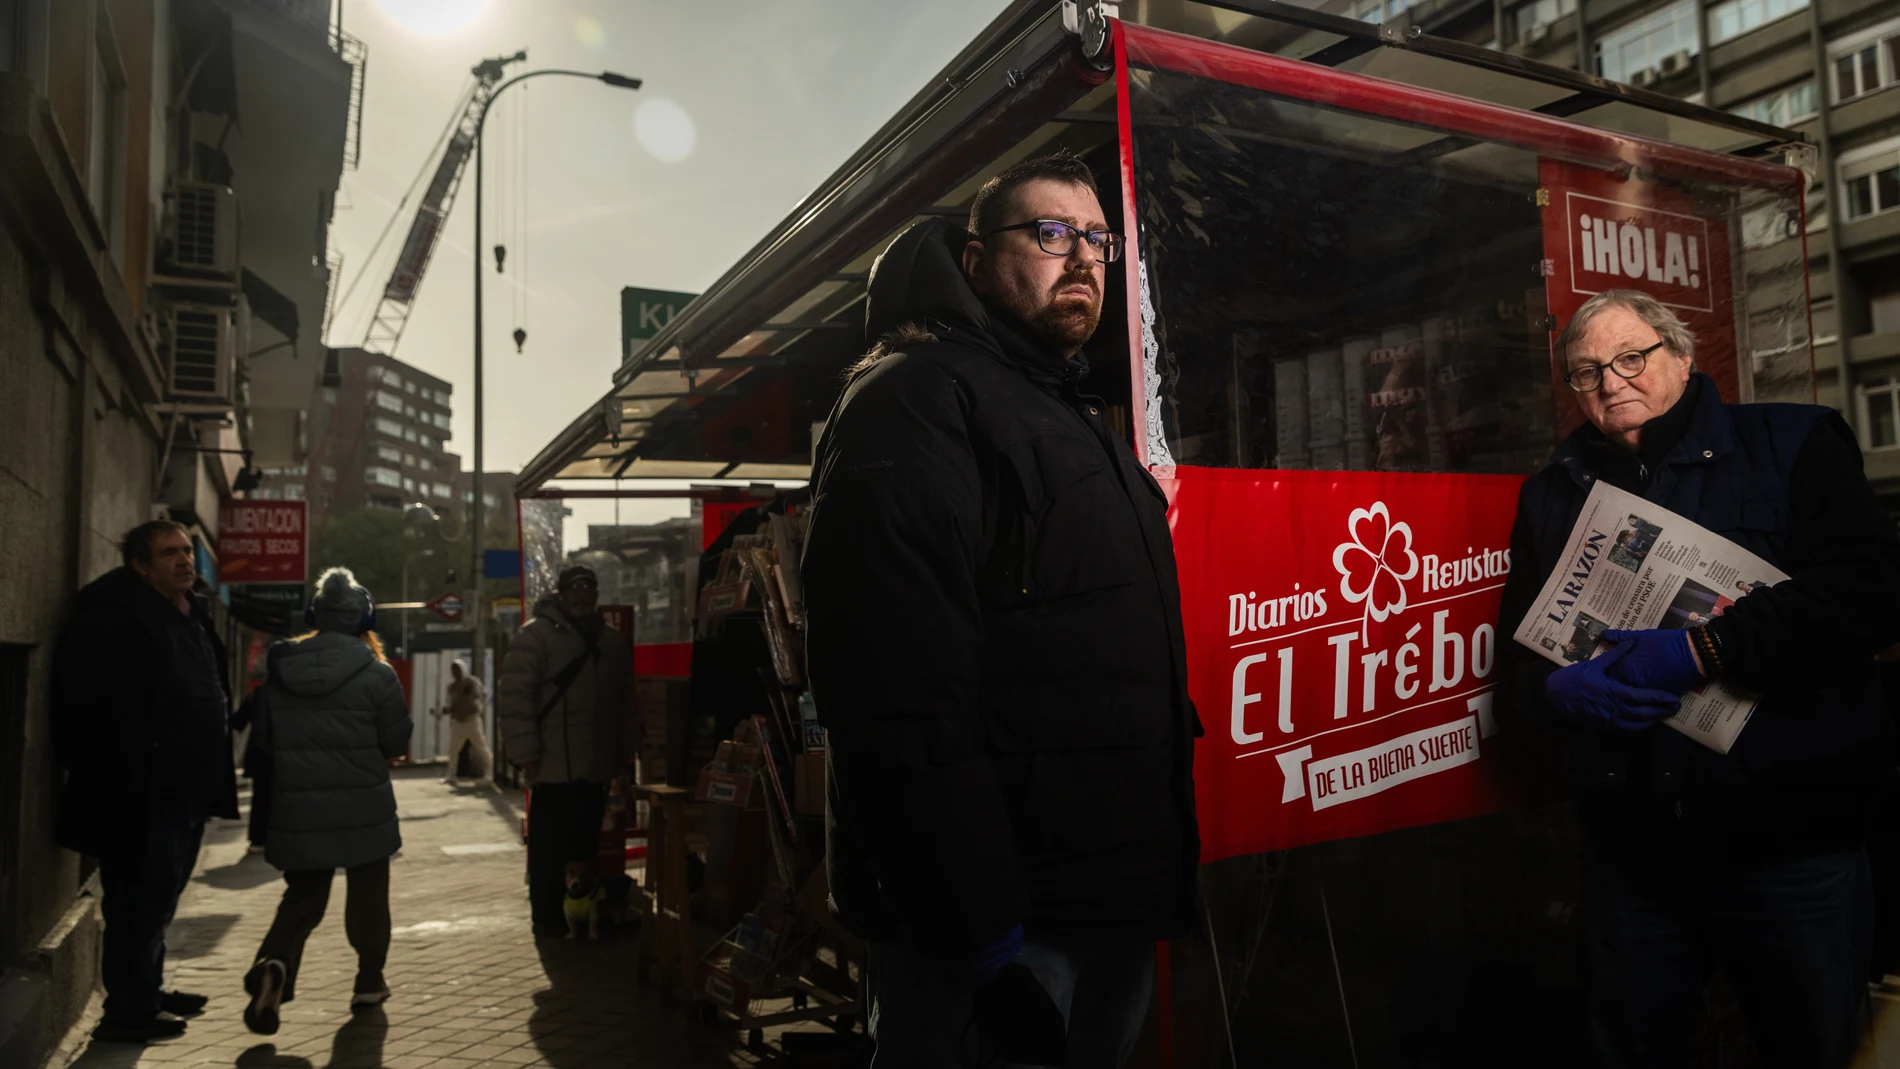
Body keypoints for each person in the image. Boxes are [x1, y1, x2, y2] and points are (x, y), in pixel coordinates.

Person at [801, 151, 1201, 1067]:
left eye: (1098, 238)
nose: (1084, 257)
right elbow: (893, 687)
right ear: (976, 263)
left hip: (1105, 899)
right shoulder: (913, 398)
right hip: (1000, 928)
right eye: (1051, 233)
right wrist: (978, 931)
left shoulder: (1067, 413)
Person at [1497, 289, 1900, 1066]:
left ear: (1681, 357)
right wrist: (1550, 692)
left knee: (1812, 1047)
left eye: (1630, 358)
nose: (1610, 381)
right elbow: (1514, 670)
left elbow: (1872, 597)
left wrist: (1701, 651)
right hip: (1635, 857)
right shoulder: (1551, 495)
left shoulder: (1793, 441)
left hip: (1789, 845)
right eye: (1587, 372)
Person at [52, 520, 238, 1043]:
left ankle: (147, 990)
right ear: (140, 565)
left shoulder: (189, 611)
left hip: (188, 789)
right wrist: (125, 772)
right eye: (169, 553)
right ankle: (128, 1012)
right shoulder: (113, 618)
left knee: (161, 897)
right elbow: (79, 708)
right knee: (137, 901)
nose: (184, 561)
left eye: (187, 552)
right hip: (140, 794)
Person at [242, 568, 412, 1035]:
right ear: (365, 619)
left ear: (314, 616)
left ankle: (276, 961)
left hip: (299, 806)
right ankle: (368, 980)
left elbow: (266, 743)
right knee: (369, 897)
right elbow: (395, 742)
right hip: (364, 807)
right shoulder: (378, 674)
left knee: (303, 896)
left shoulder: (280, 671)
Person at [497, 565, 633, 937]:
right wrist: (526, 754)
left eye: (589, 587)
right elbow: (515, 701)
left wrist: (623, 754)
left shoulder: (611, 642)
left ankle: (581, 917)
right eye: (575, 587)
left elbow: (624, 702)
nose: (582, 594)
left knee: (585, 847)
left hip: (595, 767)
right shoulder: (534, 637)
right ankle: (547, 918)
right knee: (548, 850)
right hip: (551, 767)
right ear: (561, 593)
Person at [437, 660, 492, 783]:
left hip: (472, 720)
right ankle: (451, 775)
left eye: (457, 669)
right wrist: (449, 709)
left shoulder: (472, 682)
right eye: (453, 670)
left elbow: (482, 694)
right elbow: (451, 703)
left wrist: (475, 707)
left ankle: (490, 773)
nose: (455, 672)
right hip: (458, 722)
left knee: (481, 747)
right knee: (453, 750)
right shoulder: (452, 687)